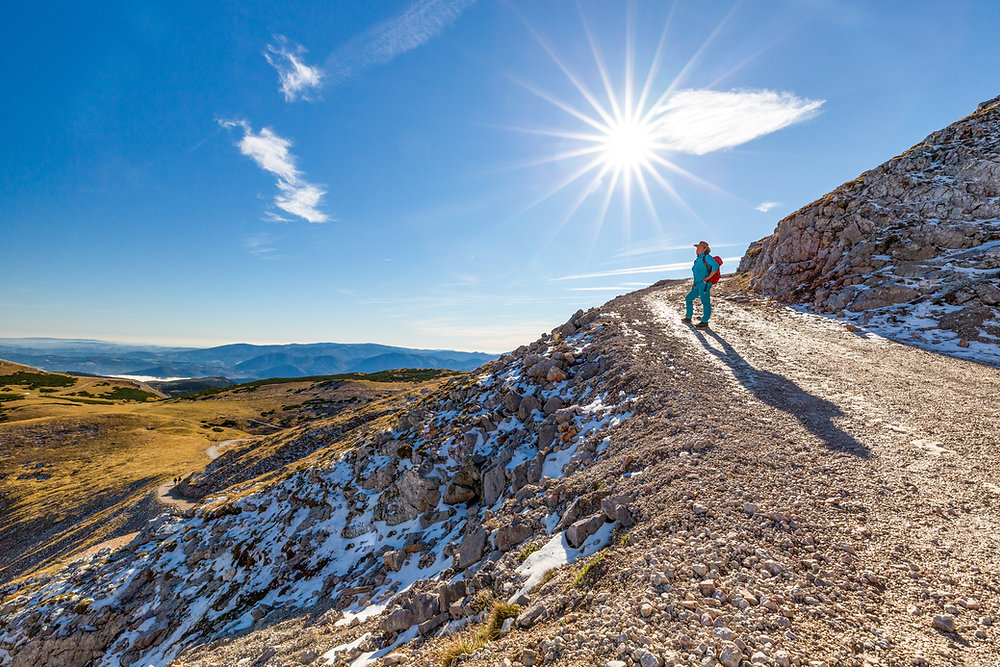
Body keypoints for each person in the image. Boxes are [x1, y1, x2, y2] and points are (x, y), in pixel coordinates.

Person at [681, 241, 719, 328]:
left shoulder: (707, 257)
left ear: (705, 249)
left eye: (699, 247)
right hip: (697, 284)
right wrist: (694, 283)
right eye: (697, 248)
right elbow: (696, 273)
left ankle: (705, 321)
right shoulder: (697, 260)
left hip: (704, 283)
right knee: (688, 298)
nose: (697, 249)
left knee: (705, 301)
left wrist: (709, 277)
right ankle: (688, 317)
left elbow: (715, 265)